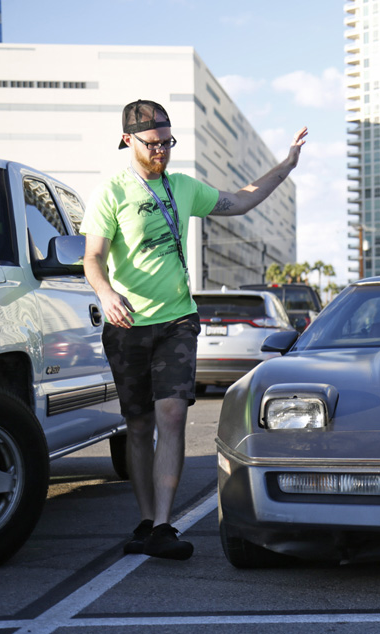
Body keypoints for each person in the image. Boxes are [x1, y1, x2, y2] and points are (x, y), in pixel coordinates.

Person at [81, 99, 307, 559]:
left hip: (177, 321)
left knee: (172, 415)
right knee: (139, 426)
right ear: (129, 140)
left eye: (168, 142)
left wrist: (286, 165)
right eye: (154, 143)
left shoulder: (182, 187)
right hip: (128, 325)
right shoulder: (112, 193)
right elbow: (93, 258)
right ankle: (147, 521)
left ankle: (164, 524)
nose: (162, 151)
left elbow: (241, 199)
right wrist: (105, 293)